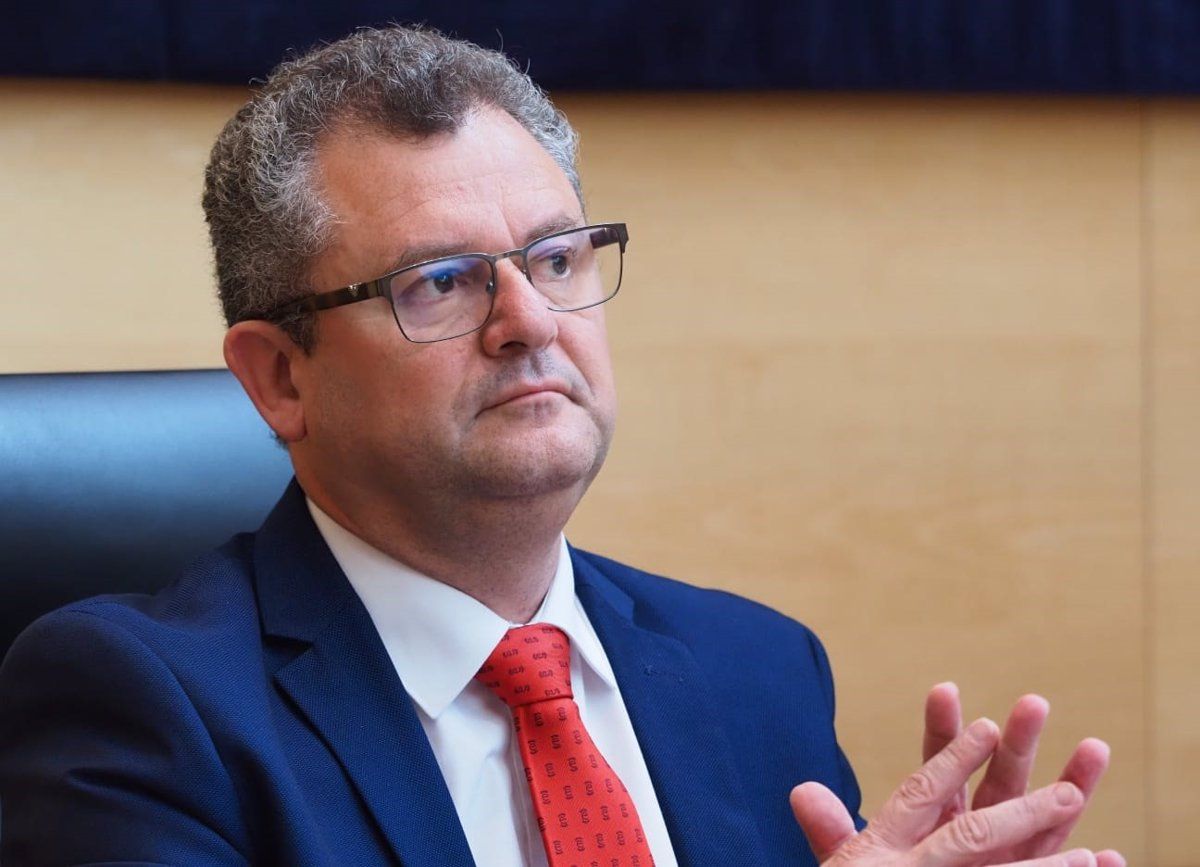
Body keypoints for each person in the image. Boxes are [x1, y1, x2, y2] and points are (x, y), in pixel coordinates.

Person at [0, 25, 1123, 867]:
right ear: (281, 378)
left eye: (555, 260)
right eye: (438, 282)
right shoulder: (142, 707)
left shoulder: (756, 670)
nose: (529, 322)